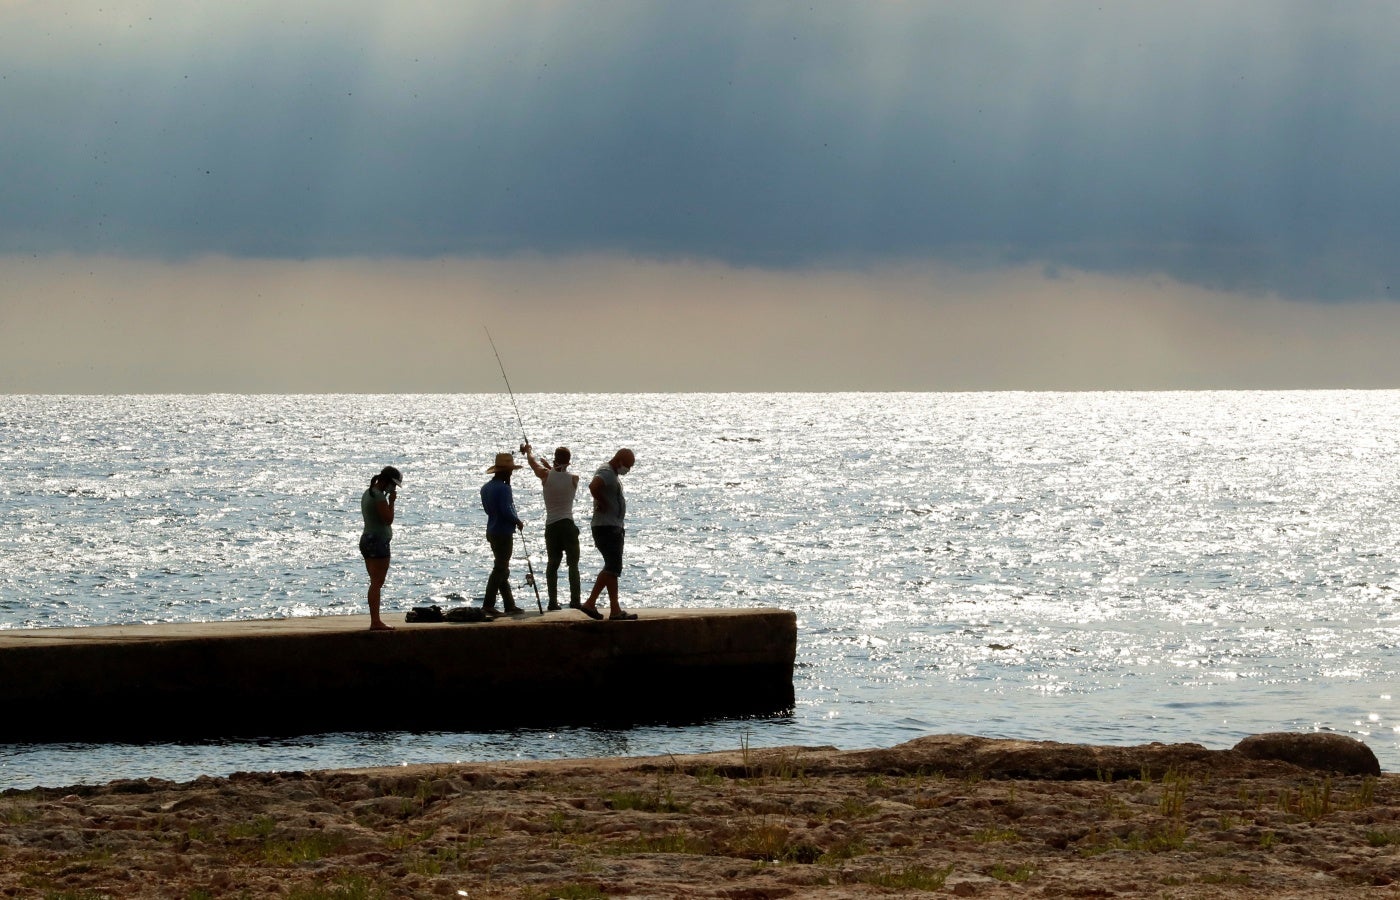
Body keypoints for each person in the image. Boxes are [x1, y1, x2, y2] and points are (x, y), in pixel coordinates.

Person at [580, 448, 637, 621]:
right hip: (606, 528)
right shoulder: (606, 471)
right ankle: (590, 602)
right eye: (627, 466)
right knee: (612, 567)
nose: (628, 470)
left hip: (612, 527)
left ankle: (615, 609)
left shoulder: (613, 474)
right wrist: (602, 502)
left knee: (613, 569)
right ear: (619, 461)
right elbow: (593, 486)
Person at [524, 443, 581, 612]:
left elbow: (533, 463)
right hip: (568, 525)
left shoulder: (545, 475)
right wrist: (551, 466)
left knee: (553, 564)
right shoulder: (574, 478)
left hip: (552, 526)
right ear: (569, 462)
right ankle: (575, 601)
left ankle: (552, 602)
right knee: (573, 565)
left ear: (555, 460)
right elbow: (561, 476)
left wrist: (528, 451)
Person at [480, 451, 526, 616]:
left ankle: (509, 604)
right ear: (506, 471)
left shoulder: (485, 488)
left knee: (502, 568)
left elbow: (488, 510)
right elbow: (507, 510)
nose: (512, 472)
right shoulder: (504, 488)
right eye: (510, 470)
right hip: (503, 532)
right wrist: (517, 521)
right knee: (500, 568)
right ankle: (488, 604)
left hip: (491, 530)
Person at [359, 465, 402, 631]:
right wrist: (391, 502)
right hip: (378, 541)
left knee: (374, 581)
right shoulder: (379, 497)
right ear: (387, 481)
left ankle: (375, 619)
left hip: (367, 538)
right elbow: (388, 519)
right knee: (377, 582)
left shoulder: (368, 493)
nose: (394, 488)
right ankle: (375, 621)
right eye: (393, 484)